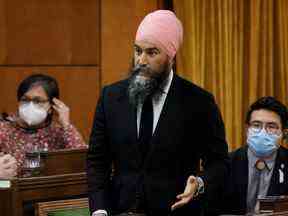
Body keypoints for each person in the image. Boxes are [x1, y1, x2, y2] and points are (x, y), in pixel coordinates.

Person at [87, 10, 229, 216]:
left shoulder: (199, 102)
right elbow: (97, 161)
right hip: (121, 210)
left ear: (171, 56)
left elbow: (219, 163)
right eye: (137, 51)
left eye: (152, 52)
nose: (141, 60)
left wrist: (199, 183)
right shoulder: (111, 97)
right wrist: (99, 209)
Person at [0, 73, 87, 175]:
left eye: (38, 101)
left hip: (50, 189)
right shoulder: (4, 129)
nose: (30, 105)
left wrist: (67, 126)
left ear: (51, 106)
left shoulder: (58, 132)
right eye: (25, 100)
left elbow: (83, 163)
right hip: (10, 189)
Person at [223, 96, 288, 215]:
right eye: (256, 125)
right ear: (247, 129)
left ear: (283, 133)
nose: (263, 132)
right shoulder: (226, 164)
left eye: (271, 126)